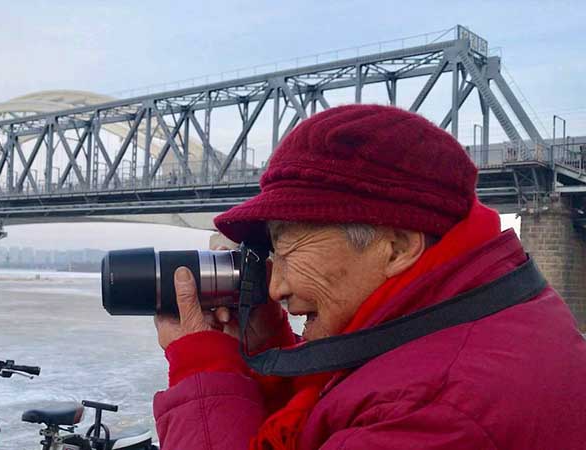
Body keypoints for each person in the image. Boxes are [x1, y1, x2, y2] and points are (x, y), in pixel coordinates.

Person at [152, 105, 586, 449]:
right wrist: (271, 348)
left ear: (396, 247)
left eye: (286, 249)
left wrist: (202, 371)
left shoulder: (434, 408)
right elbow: (342, 409)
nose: (275, 287)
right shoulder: (488, 313)